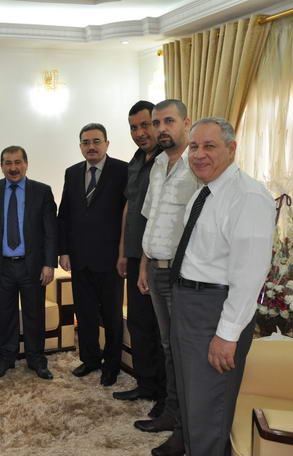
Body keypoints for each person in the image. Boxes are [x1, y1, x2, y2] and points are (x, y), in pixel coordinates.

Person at [170, 118, 274, 456]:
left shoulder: (248, 196)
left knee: (208, 406)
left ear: (231, 149)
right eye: (194, 146)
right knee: (191, 399)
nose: (198, 154)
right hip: (189, 302)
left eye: (209, 146)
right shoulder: (205, 192)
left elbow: (250, 274)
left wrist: (227, 335)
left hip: (214, 308)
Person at [133, 99, 200, 456]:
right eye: (157, 122)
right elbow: (151, 219)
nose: (161, 128)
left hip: (183, 275)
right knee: (168, 347)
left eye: (168, 121)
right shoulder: (158, 164)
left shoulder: (198, 165)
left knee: (184, 351)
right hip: (156, 270)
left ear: (186, 123)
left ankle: (186, 428)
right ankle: (172, 414)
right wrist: (144, 264)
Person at [0, 145, 57, 380]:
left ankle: (36, 359)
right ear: (1, 166)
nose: (13, 167)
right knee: (4, 314)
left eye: (17, 162)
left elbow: (51, 231)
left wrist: (49, 264)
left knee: (34, 314)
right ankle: (6, 358)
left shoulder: (42, 191)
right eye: (8, 163)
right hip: (1, 265)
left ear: (26, 164)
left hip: (33, 266)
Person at [57, 123, 128, 387]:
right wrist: (63, 251)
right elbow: (64, 214)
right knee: (85, 313)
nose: (91, 147)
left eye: (96, 141)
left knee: (111, 316)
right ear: (80, 147)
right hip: (79, 258)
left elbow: (127, 216)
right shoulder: (72, 172)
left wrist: (124, 254)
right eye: (86, 142)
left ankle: (111, 365)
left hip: (111, 260)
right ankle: (89, 359)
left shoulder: (123, 170)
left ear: (107, 143)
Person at [112, 101, 166, 418]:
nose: (140, 132)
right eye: (134, 127)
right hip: (134, 256)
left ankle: (165, 394)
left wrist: (144, 261)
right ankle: (145, 384)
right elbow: (129, 208)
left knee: (160, 328)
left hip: (157, 259)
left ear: (157, 124)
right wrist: (122, 251)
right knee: (138, 322)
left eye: (145, 125)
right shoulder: (135, 160)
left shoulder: (168, 161)